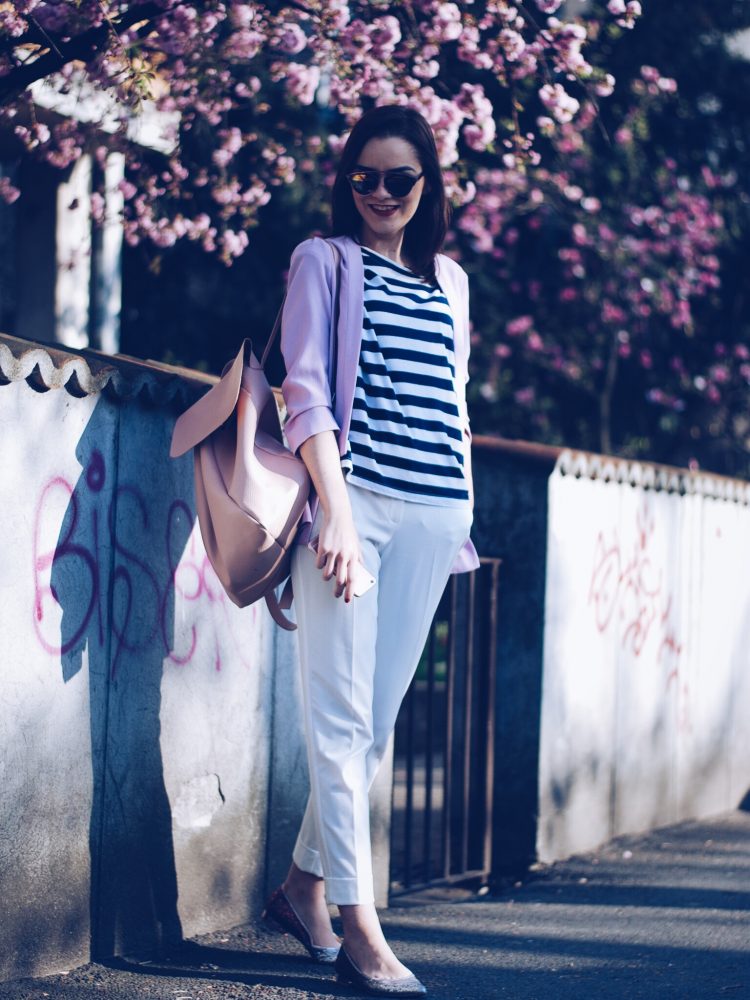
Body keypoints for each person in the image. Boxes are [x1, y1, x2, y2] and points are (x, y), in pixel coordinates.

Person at [262, 104, 479, 997]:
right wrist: (337, 514)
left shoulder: (453, 281)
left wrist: (463, 506)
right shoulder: (325, 261)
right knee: (342, 722)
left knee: (375, 728)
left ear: (426, 186)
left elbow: (454, 396)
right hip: (358, 508)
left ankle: (303, 887)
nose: (381, 193)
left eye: (400, 179)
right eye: (365, 178)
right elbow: (304, 390)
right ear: (346, 183)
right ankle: (361, 924)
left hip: (435, 515)